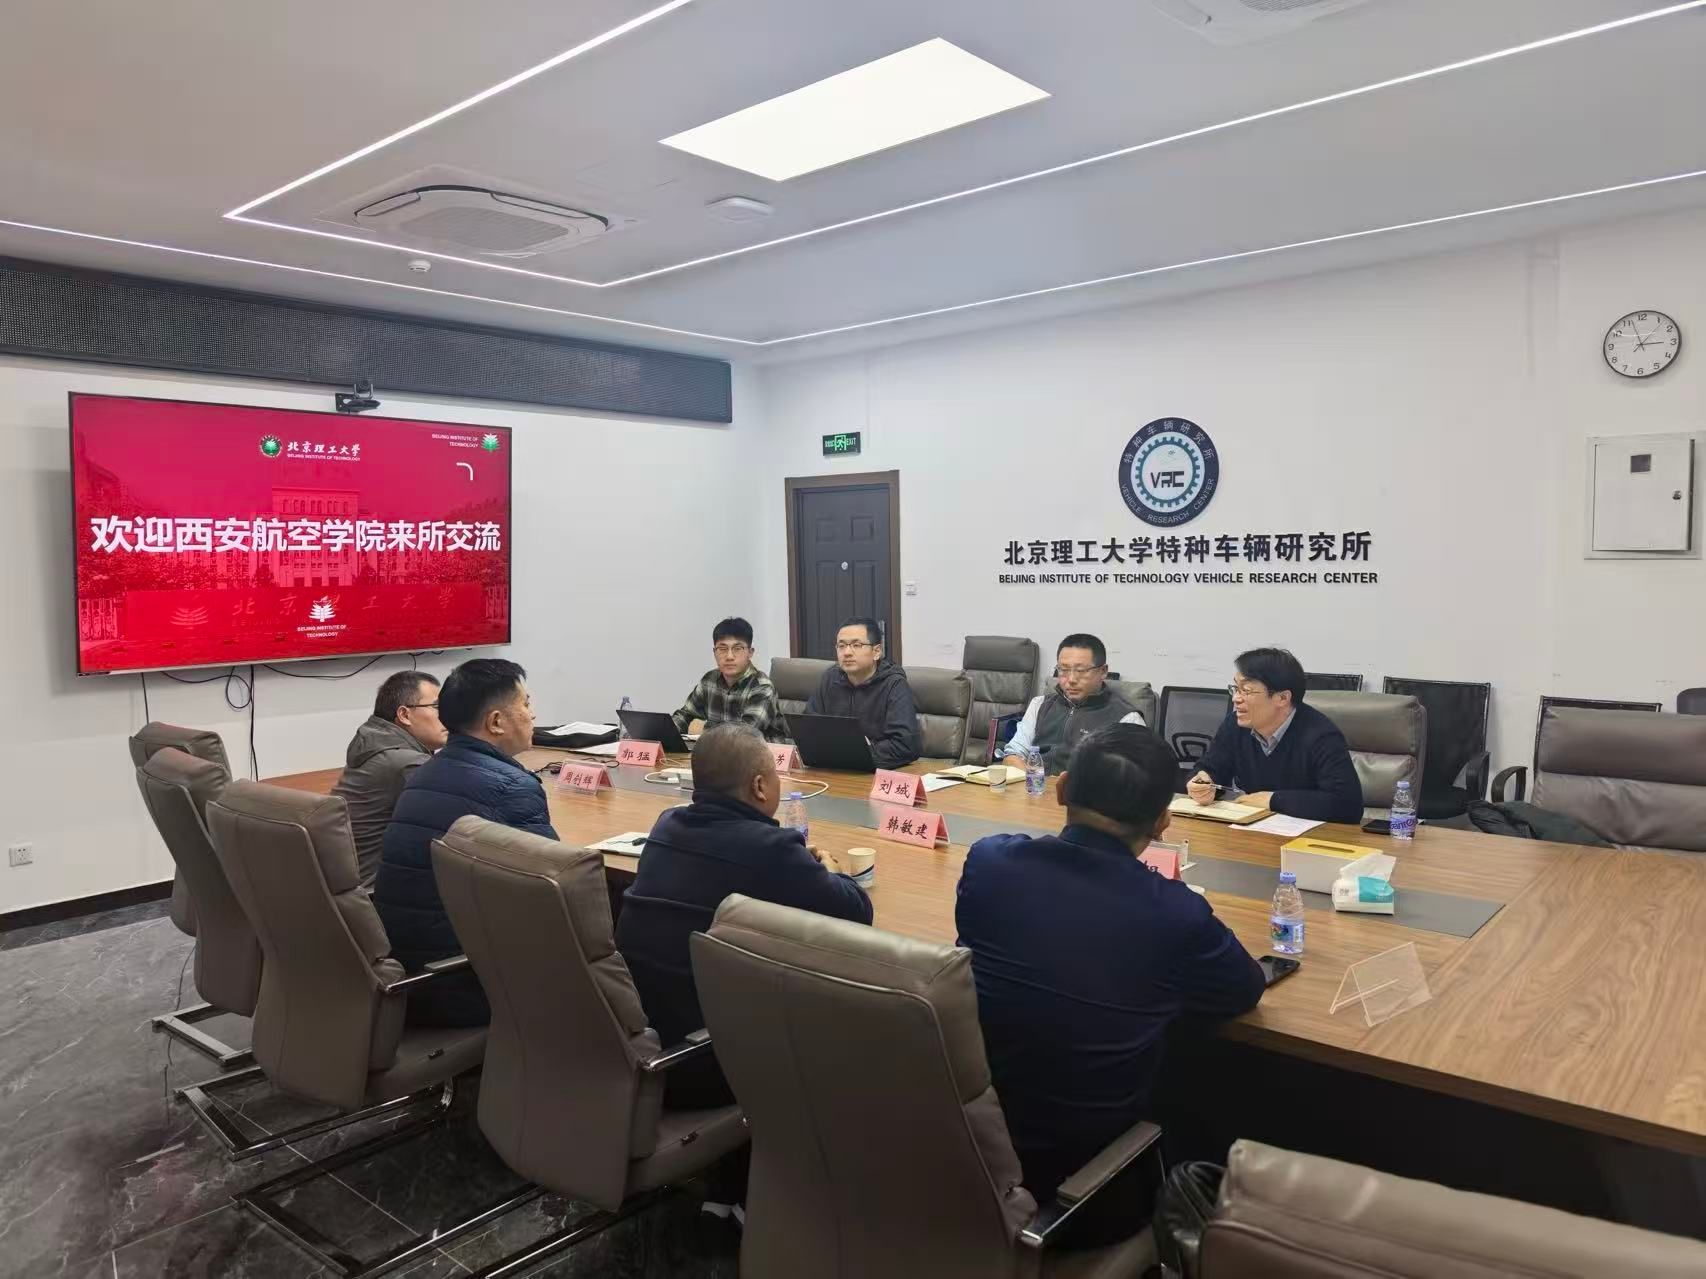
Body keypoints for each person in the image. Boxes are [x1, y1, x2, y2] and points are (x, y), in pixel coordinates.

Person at [957, 724, 1265, 1248]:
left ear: (1061, 790)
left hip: (964, 1160)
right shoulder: (1175, 914)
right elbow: (1242, 989)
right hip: (1085, 1197)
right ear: (1163, 822)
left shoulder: (989, 863)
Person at [617, 722, 873, 1108]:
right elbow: (856, 912)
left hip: (636, 1040)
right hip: (703, 1060)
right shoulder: (770, 848)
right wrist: (831, 870)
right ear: (759, 786)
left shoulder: (667, 824)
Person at [374, 658, 552, 1027]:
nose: (533, 714)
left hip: (407, 971)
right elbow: (555, 892)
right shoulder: (512, 787)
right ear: (496, 722)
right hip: (464, 980)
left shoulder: (424, 773)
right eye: (526, 703)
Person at [1186, 647, 1363, 823]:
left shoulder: (1321, 736)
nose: (1236, 699)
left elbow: (1348, 806)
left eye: (1246, 691)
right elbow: (1211, 768)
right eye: (1236, 688)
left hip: (1307, 835)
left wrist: (1273, 800)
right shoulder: (1235, 725)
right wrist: (1202, 782)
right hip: (1250, 828)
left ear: (1282, 698)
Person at [331, 671, 448, 888]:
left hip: (350, 886)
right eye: (437, 707)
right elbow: (460, 827)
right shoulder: (407, 763)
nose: (448, 716)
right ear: (404, 715)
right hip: (378, 893)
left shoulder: (377, 744)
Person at [1001, 633, 1145, 775]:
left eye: (1081, 671)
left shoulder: (1126, 718)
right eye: (1063, 670)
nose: (1071, 679)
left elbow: (1136, 775)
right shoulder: (1040, 705)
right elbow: (1013, 755)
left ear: (1103, 671)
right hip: (1036, 786)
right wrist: (1036, 783)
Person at [805, 618, 922, 768]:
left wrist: (857, 753)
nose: (847, 652)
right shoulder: (830, 679)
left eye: (856, 645)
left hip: (876, 770)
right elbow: (808, 729)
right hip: (832, 769)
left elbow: (904, 746)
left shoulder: (894, 684)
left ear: (876, 652)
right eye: (841, 646)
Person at [670, 617, 784, 742]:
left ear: (750, 653)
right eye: (722, 649)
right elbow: (685, 715)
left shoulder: (762, 687)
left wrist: (703, 728)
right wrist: (667, 729)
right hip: (717, 751)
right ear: (714, 652)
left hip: (761, 753)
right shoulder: (709, 681)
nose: (729, 656)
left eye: (737, 648)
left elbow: (746, 734)